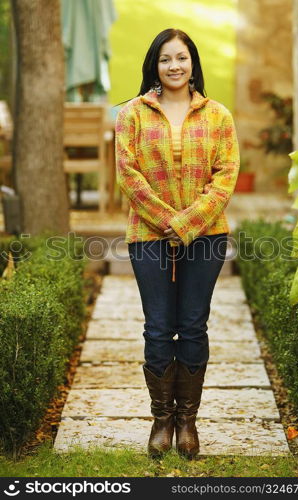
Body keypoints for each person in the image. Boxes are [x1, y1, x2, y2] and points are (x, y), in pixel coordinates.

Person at [115, 28, 240, 459]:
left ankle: (187, 420)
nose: (174, 66)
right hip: (147, 235)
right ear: (154, 64)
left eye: (182, 58)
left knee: (192, 325)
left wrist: (187, 223)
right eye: (166, 59)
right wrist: (168, 221)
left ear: (193, 64)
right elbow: (128, 175)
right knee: (156, 326)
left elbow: (226, 177)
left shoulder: (218, 115)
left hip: (206, 235)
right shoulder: (132, 114)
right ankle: (161, 419)